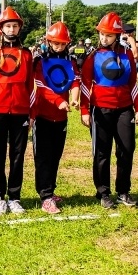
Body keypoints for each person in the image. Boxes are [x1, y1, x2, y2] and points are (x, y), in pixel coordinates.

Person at [80, 11, 138, 209]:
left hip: (125, 109)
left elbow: (133, 83)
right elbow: (84, 84)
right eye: (102, 34)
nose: (104, 38)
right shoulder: (93, 56)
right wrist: (84, 110)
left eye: (109, 34)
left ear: (117, 35)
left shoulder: (127, 55)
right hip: (100, 110)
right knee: (102, 152)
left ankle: (123, 191)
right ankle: (103, 192)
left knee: (126, 150)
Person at [0, 7, 34, 216]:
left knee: (18, 156)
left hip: (21, 111)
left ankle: (14, 197)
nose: (11, 29)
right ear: (0, 28)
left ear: (19, 28)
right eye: (7, 26)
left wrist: (31, 114)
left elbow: (30, 86)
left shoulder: (27, 54)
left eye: (14, 26)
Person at [32, 21, 80, 214]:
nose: (59, 47)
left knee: (55, 156)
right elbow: (41, 87)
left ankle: (51, 190)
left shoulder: (70, 61)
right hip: (43, 115)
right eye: (55, 43)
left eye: (62, 43)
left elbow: (75, 81)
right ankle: (45, 196)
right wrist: (58, 101)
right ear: (49, 42)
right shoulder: (40, 61)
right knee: (43, 157)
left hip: (61, 118)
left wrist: (74, 98)